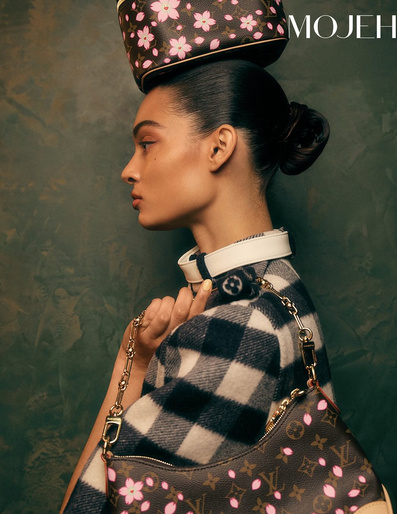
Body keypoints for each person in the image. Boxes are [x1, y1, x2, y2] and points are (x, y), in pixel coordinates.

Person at [61, 59, 333, 513]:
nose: (129, 170)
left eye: (147, 144)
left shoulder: (236, 328)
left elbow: (88, 508)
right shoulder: (279, 283)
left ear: (219, 147)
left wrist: (133, 363)